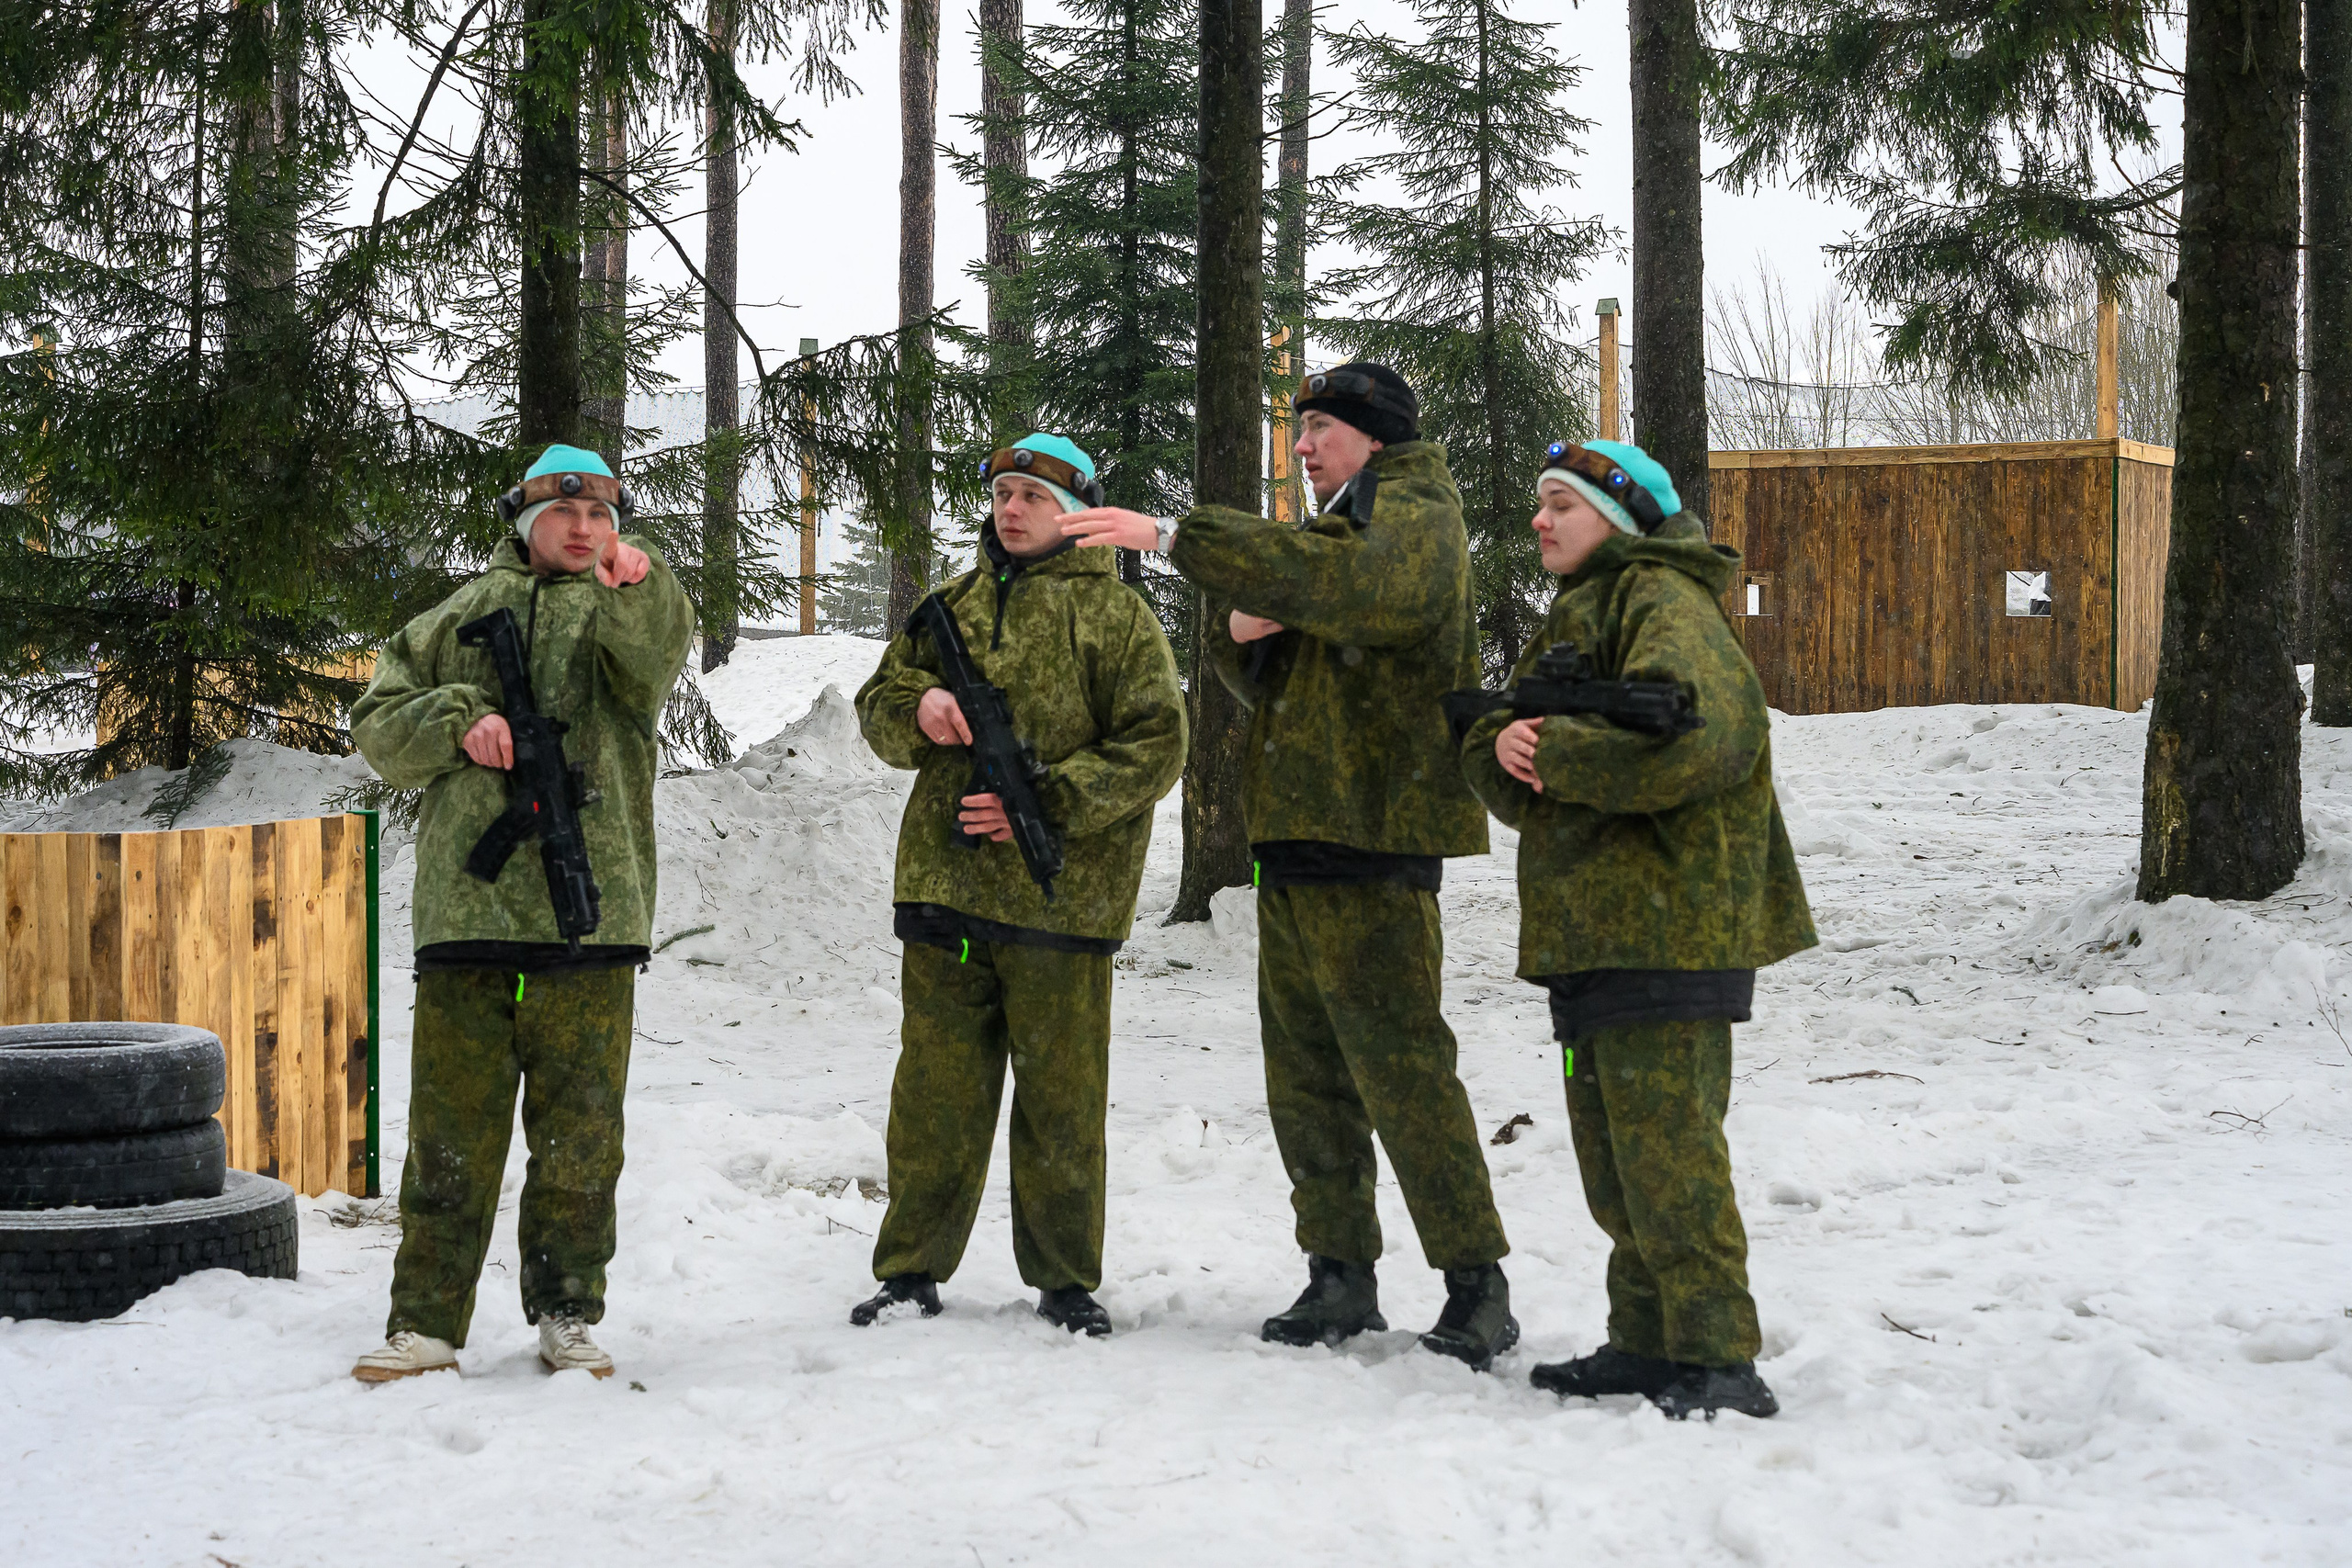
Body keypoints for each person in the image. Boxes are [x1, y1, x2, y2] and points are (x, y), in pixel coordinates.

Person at [1058, 365, 1518, 1371]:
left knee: (1402, 1071)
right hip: (1304, 838)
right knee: (1305, 1079)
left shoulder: (1415, 509)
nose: (1301, 448)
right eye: (1298, 430)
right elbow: (1284, 668)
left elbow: (1372, 594)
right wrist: (1239, 636)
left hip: (1377, 838)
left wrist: (1180, 540)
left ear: (1372, 436)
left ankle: (1476, 1283)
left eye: (1317, 430)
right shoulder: (1333, 532)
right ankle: (1338, 1271)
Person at [1458, 439, 1817, 1420]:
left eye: (1559, 505)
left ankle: (1717, 1358)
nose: (1538, 520)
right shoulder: (1587, 608)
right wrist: (1500, 742)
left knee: (1669, 1153)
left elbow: (1709, 739)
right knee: (1618, 1162)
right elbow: (1526, 776)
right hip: (1597, 929)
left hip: (1670, 922)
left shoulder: (1662, 600)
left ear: (1615, 519)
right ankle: (1647, 1340)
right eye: (1538, 503)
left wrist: (1555, 751)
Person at [346, 445, 695, 1383]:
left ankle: (569, 1311)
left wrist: (634, 589)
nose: (584, 530)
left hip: (594, 917)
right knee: (449, 1139)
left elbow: (660, 655)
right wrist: (458, 719)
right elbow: (378, 724)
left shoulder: (631, 600)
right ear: (524, 521)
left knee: (581, 1139)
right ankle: (424, 1324)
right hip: (470, 913)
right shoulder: (453, 619)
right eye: (563, 514)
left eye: (601, 517)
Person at [851, 433, 1185, 1337]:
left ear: (1074, 512)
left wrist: (1045, 801)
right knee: (934, 1097)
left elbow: (1157, 745)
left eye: (1033, 494)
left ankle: (1066, 1279)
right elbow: (878, 710)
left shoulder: (1117, 621)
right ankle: (910, 1271)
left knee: (1060, 1102)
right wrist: (916, 710)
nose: (1011, 507)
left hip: (1061, 901)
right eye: (1002, 491)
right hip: (946, 888)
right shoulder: (947, 608)